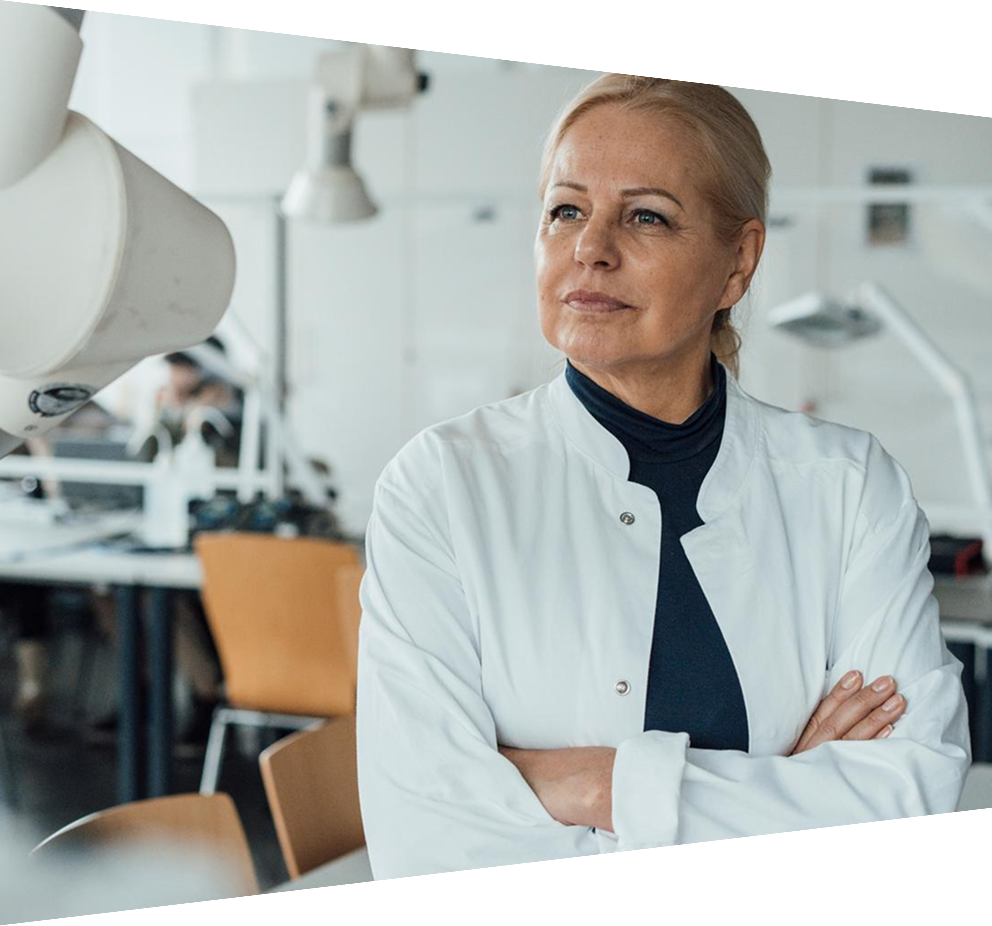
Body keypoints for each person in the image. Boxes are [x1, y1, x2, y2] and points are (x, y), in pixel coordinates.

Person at [354, 75, 972, 879]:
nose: (591, 247)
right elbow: (427, 845)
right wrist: (788, 787)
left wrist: (593, 784)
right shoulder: (440, 485)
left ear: (737, 263)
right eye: (565, 210)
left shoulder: (849, 486)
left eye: (645, 215)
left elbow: (909, 809)